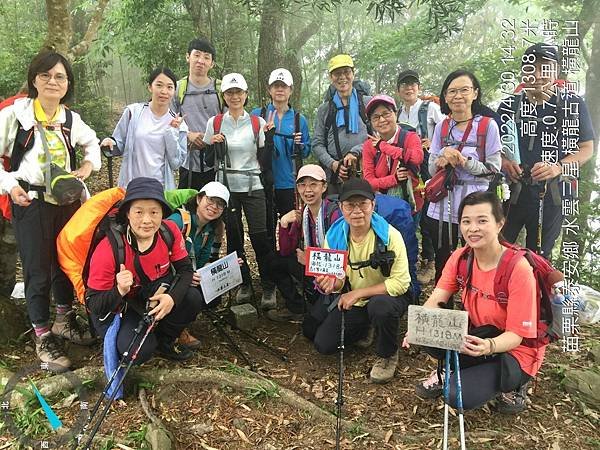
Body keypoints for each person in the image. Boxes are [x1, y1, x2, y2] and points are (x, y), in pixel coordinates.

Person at [0, 51, 101, 370]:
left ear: (67, 83)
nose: (53, 82)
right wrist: (10, 187)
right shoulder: (15, 116)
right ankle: (42, 334)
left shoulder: (70, 118)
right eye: (46, 76)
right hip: (30, 202)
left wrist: (86, 166)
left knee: (64, 262)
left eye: (60, 77)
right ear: (34, 79)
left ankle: (63, 319)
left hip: (67, 202)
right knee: (37, 269)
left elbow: (92, 143)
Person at [406, 191, 544, 414]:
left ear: (500, 224)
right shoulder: (461, 257)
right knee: (428, 335)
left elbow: (516, 335)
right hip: (479, 334)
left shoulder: (518, 269)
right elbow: (436, 298)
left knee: (455, 395)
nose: (473, 228)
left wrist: (489, 347)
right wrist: (418, 326)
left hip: (516, 349)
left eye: (482, 221)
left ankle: (517, 382)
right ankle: (454, 371)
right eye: (466, 221)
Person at [303, 178, 412, 384]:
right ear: (341, 208)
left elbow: (401, 283)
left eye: (362, 204)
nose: (357, 211)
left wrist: (358, 293)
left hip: (388, 296)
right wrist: (331, 284)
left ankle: (387, 354)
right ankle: (367, 326)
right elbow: (338, 281)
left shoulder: (390, 236)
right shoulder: (334, 236)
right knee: (323, 344)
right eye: (350, 205)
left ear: (373, 205)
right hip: (355, 298)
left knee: (380, 307)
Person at [86, 177, 204, 363]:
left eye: (154, 212)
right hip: (124, 305)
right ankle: (146, 338)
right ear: (127, 214)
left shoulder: (169, 231)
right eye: (139, 212)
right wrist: (119, 290)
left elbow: (185, 270)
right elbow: (94, 305)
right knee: (136, 354)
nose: (147, 220)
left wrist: (171, 299)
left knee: (192, 297)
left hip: (154, 294)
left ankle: (166, 340)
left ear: (162, 214)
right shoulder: (109, 249)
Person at [498, 43, 595, 259]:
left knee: (538, 256)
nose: (538, 74)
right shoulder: (508, 106)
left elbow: (587, 148)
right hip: (512, 190)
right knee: (497, 247)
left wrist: (558, 167)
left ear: (557, 70)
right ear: (523, 72)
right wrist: (504, 161)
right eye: (531, 68)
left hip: (551, 193)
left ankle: (535, 293)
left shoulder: (573, 104)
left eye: (545, 67)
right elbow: (495, 146)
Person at [203, 73, 276, 308]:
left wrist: (271, 137)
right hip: (227, 189)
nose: (234, 96)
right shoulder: (214, 122)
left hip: (254, 186)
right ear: (224, 96)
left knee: (260, 237)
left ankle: (268, 286)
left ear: (245, 95)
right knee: (234, 238)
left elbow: (264, 158)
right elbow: (206, 159)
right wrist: (213, 143)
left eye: (238, 92)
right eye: (229, 93)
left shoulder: (257, 122)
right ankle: (243, 284)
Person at [425, 70, 501, 283]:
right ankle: (443, 307)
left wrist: (464, 162)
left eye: (464, 90)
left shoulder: (487, 126)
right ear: (445, 97)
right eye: (452, 91)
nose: (458, 96)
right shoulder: (442, 127)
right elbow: (431, 170)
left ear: (475, 93)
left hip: (476, 204)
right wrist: (441, 157)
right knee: (444, 260)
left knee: (478, 259)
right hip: (444, 205)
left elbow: (493, 168)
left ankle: (475, 309)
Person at [265, 164, 341, 322]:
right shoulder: (304, 214)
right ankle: (297, 307)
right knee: (274, 260)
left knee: (315, 326)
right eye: (302, 185)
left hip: (334, 277)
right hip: (311, 267)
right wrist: (284, 223)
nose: (308, 190)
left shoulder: (334, 215)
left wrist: (310, 260)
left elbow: (340, 260)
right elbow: (286, 251)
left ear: (324, 186)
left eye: (313, 184)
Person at [166, 181, 229, 348]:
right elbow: (158, 257)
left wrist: (228, 266)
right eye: (210, 200)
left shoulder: (209, 229)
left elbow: (201, 262)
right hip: (165, 278)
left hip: (186, 276)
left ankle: (179, 322)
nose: (214, 207)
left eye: (220, 204)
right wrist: (185, 277)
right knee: (193, 297)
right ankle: (172, 331)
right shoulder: (178, 222)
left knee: (213, 295)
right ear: (199, 199)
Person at [101, 67, 187, 190]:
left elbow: (176, 163)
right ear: (150, 87)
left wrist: (172, 132)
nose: (164, 91)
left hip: (161, 188)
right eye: (159, 85)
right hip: (132, 186)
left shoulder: (179, 124)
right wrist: (111, 142)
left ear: (174, 91)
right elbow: (119, 141)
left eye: (169, 87)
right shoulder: (133, 113)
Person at [396, 70, 445, 285]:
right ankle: (408, 257)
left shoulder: (430, 108)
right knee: (409, 208)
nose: (409, 88)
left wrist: (432, 144)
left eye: (413, 84)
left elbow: (447, 131)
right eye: (405, 85)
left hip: (427, 166)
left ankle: (430, 260)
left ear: (419, 87)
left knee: (428, 212)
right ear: (398, 90)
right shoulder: (397, 112)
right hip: (405, 166)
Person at [251, 68, 311, 245]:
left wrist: (300, 144)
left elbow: (306, 152)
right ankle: (271, 267)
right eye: (276, 86)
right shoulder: (257, 115)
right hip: (262, 181)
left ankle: (291, 264)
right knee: (266, 227)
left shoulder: (299, 120)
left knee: (292, 227)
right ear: (269, 89)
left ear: (290, 90)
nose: (280, 90)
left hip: (289, 182)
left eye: (284, 86)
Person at [312, 54, 372, 194]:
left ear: (353, 73)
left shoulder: (367, 103)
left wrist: (355, 152)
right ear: (331, 77)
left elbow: (378, 137)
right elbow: (317, 143)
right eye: (337, 73)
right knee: (336, 213)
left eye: (346, 72)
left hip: (366, 171)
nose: (342, 77)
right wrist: (333, 165)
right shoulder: (325, 109)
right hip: (335, 177)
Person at [172, 38, 223, 190]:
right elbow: (168, 121)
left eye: (206, 57)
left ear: (212, 63)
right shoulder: (177, 88)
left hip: (215, 163)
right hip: (188, 161)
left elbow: (230, 120)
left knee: (214, 208)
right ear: (188, 57)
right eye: (197, 55)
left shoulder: (220, 89)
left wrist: (212, 139)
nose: (201, 61)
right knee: (186, 210)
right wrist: (187, 135)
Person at [361, 94, 424, 216]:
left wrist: (384, 146)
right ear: (371, 122)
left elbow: (417, 158)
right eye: (376, 117)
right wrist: (394, 179)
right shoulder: (369, 146)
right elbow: (369, 182)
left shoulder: (410, 137)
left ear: (396, 114)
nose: (382, 120)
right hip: (381, 207)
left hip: (409, 206)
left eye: (386, 114)